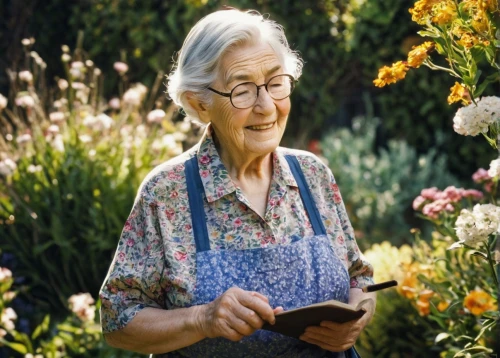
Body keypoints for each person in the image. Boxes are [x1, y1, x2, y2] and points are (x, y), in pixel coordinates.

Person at [99, 8, 376, 358]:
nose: (266, 106)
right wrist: (202, 319)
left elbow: (360, 279)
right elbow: (117, 320)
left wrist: (359, 317)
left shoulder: (312, 174)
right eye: (242, 90)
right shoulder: (167, 193)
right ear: (199, 104)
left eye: (276, 83)